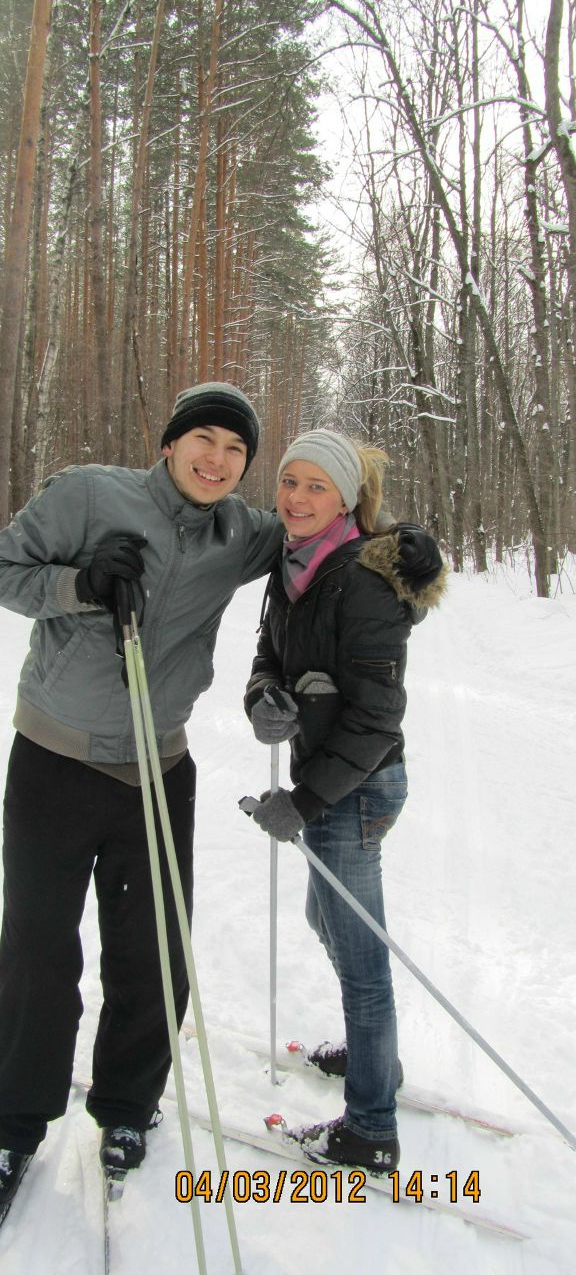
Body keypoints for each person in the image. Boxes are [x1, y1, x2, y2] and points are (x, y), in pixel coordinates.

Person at [0, 382, 285, 1220]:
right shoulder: (86, 493)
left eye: (235, 451)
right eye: (204, 440)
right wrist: (80, 582)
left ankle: (125, 1109)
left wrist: (399, 550)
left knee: (153, 955)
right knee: (38, 954)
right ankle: (9, 1129)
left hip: (157, 765)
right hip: (53, 760)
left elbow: (322, 529)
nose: (217, 460)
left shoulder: (241, 534)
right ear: (171, 440)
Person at [243, 429, 444, 1171]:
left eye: (315, 486)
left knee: (363, 961)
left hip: (355, 787)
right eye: (289, 481)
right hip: (326, 778)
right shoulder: (291, 565)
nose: (295, 498)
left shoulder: (362, 580)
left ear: (347, 499)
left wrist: (305, 800)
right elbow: (268, 653)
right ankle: (375, 1060)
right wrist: (264, 696)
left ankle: (370, 1129)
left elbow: (375, 720)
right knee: (321, 917)